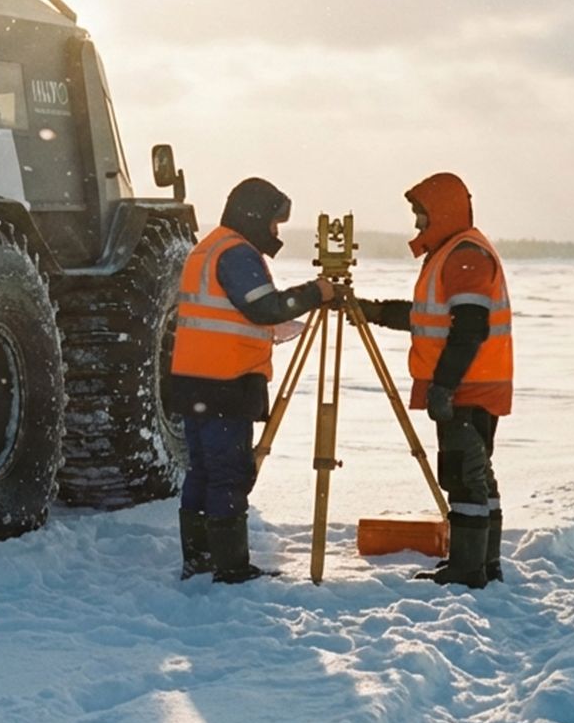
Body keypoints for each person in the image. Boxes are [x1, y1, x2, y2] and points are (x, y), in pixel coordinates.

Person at [168, 177, 337, 583]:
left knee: (204, 471)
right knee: (228, 474)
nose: (276, 232)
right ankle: (230, 566)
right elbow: (264, 308)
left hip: (196, 381)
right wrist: (317, 292)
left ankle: (200, 557)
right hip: (225, 382)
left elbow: (231, 315)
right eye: (274, 222)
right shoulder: (236, 253)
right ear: (255, 216)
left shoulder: (211, 246)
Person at [358, 172, 512, 588]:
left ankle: (469, 569)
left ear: (442, 212)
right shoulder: (454, 253)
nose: (417, 225)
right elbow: (430, 318)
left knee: (463, 476)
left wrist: (444, 385)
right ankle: (484, 562)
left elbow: (469, 328)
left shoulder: (465, 255)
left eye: (421, 215)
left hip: (468, 387)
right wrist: (374, 311)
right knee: (477, 475)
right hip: (474, 385)